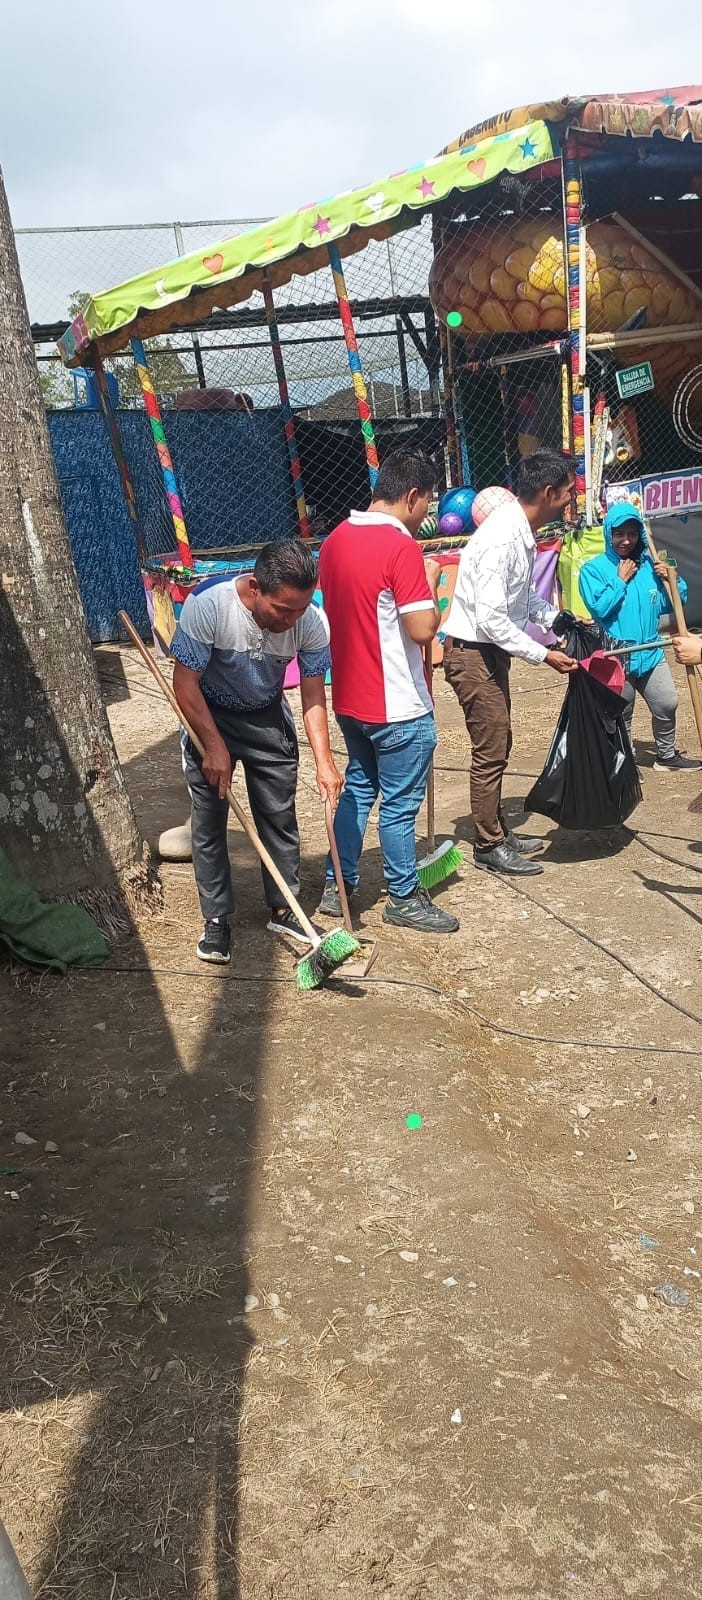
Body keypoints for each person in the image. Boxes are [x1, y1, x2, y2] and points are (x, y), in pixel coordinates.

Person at [170, 540, 343, 964]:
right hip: (209, 716)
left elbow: (313, 697)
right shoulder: (209, 606)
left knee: (278, 816)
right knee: (209, 821)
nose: (292, 619)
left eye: (300, 608)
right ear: (254, 588)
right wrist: (214, 746)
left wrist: (325, 762)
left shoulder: (310, 622)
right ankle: (215, 919)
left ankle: (284, 908)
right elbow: (185, 684)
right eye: (282, 609)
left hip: (267, 716)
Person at [318, 448, 459, 935]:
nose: (427, 516)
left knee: (359, 788)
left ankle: (338, 884)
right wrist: (433, 583)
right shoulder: (401, 547)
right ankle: (403, 896)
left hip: (350, 698)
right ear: (412, 496)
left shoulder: (334, 540)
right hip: (397, 703)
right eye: (428, 504)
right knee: (399, 807)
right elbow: (422, 630)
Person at [442, 449, 579, 878]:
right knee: (491, 748)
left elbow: (521, 597)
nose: (572, 499)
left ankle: (498, 830)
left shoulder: (521, 531)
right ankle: (489, 845)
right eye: (569, 492)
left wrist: (556, 619)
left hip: (489, 652)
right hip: (472, 653)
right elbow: (491, 619)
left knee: (500, 742)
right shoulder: (503, 537)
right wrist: (544, 654)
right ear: (548, 492)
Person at [578, 504, 701, 774]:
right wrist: (620, 581)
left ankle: (666, 757)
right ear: (608, 534)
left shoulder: (649, 566)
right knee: (622, 711)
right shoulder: (593, 570)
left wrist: (672, 578)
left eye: (632, 534)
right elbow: (599, 609)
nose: (626, 540)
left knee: (667, 702)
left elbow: (676, 603)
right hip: (616, 655)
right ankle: (626, 766)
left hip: (652, 651)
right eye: (619, 534)